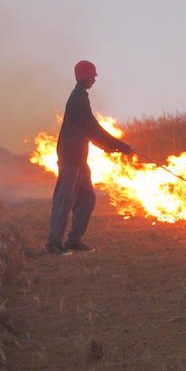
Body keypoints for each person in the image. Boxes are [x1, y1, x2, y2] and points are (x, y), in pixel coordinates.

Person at [46, 60, 135, 255]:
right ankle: (54, 244)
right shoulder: (78, 99)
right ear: (84, 77)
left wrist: (112, 147)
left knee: (87, 198)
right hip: (70, 157)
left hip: (79, 158)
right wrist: (121, 147)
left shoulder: (81, 97)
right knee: (65, 199)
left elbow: (89, 130)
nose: (95, 78)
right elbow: (92, 129)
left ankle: (73, 240)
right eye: (92, 75)